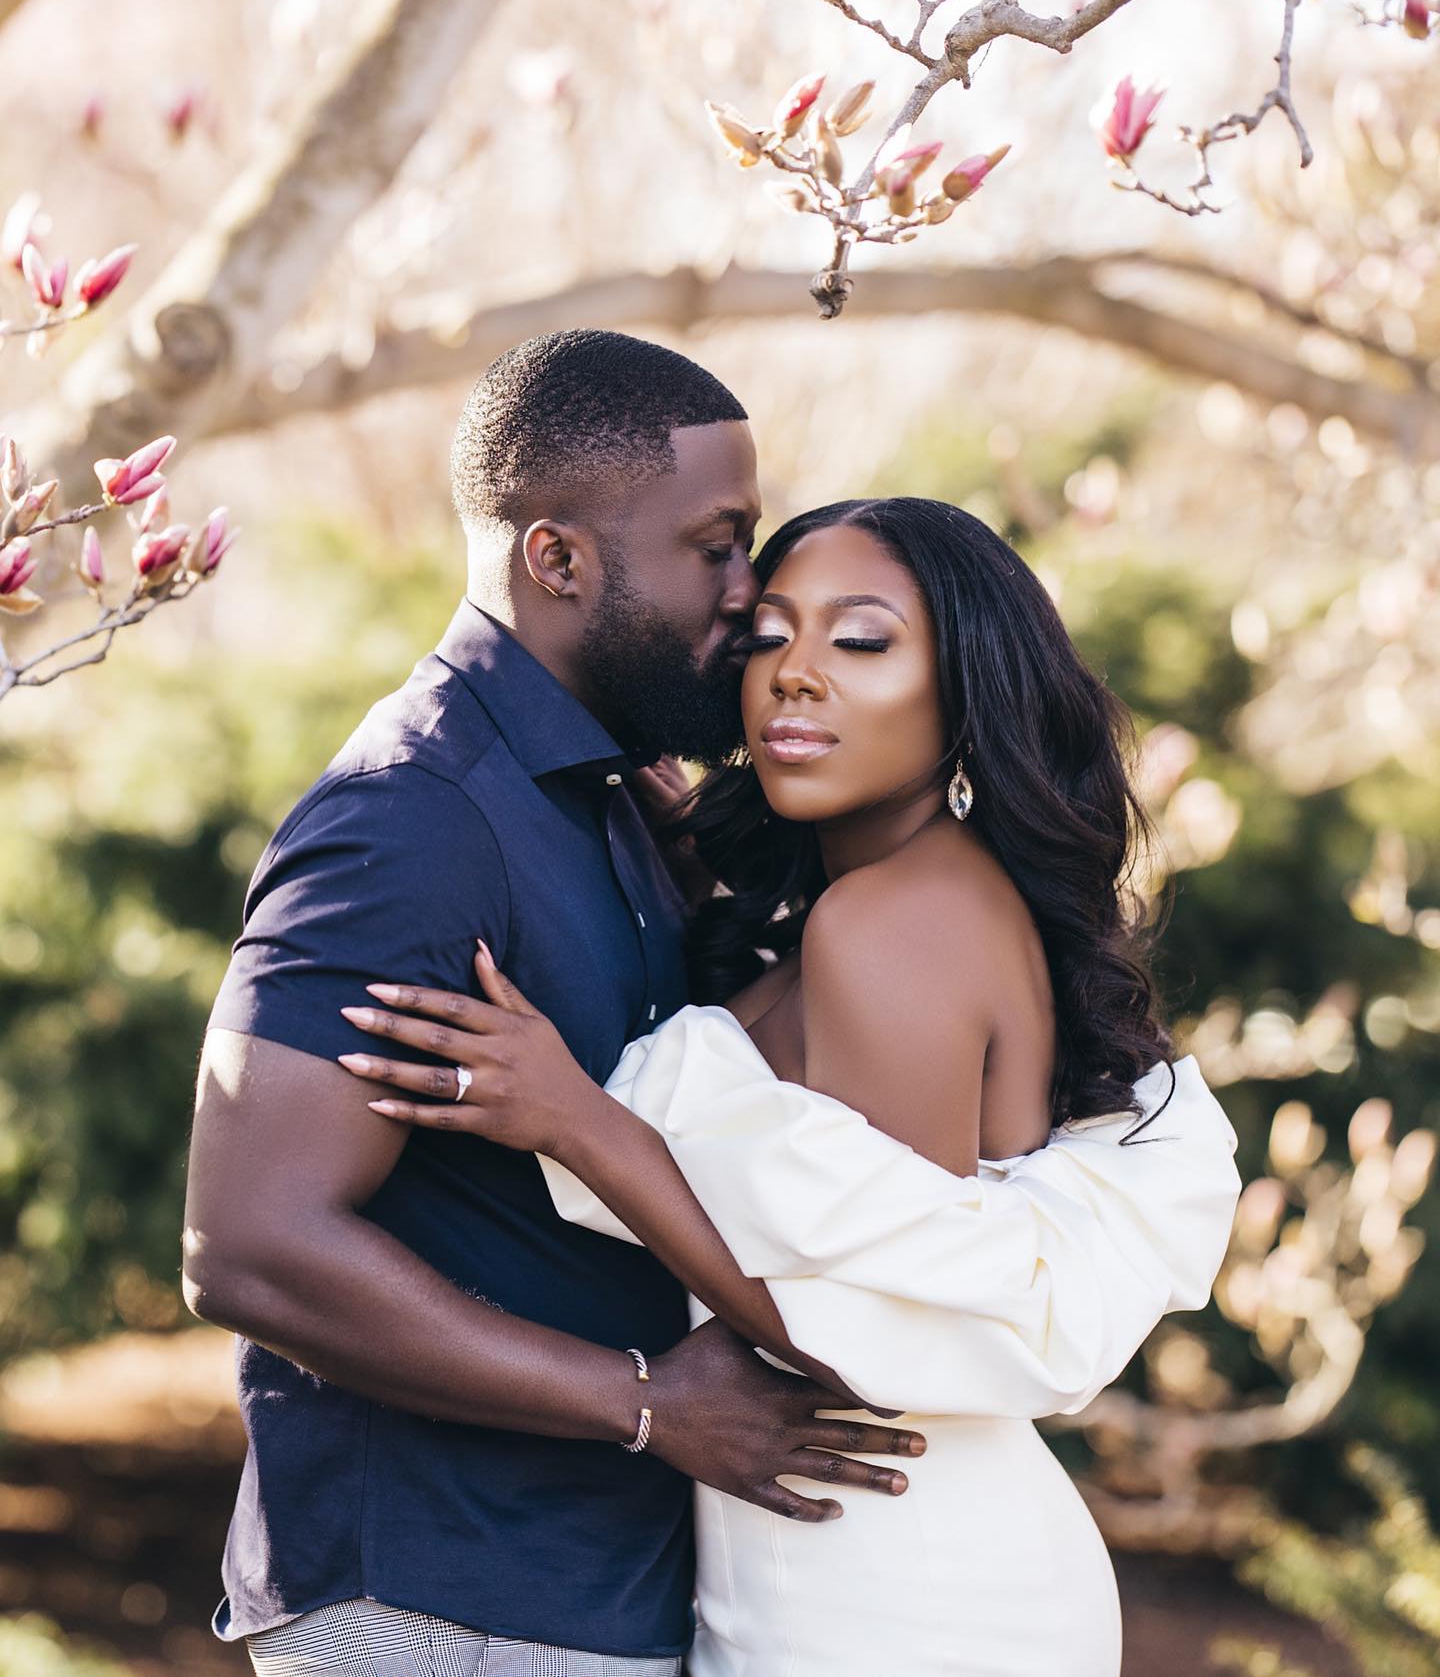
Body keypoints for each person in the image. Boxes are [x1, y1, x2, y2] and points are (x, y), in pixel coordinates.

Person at [183, 332, 1237, 1677]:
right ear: (558, 558)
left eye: (851, 635)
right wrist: (639, 1405)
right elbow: (249, 1246)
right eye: (725, 554)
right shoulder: (420, 820)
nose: (752, 615)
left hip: (809, 1556)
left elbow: (880, 1293)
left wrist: (582, 1122)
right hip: (460, 1584)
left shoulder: (676, 837)